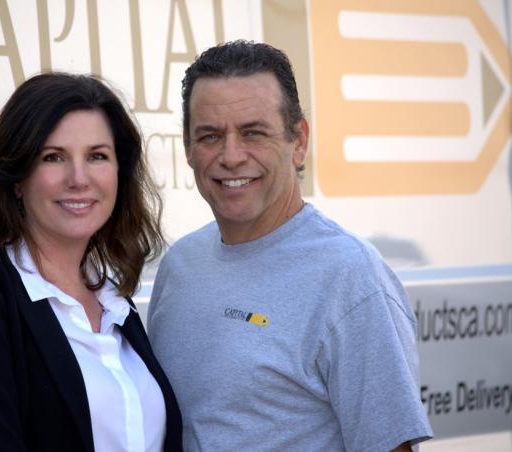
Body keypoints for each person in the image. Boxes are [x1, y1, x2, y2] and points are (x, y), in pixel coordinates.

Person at [146, 41, 432, 451]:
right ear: (188, 150)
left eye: (253, 133)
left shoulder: (350, 278)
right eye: (210, 136)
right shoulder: (180, 267)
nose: (230, 156)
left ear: (298, 139)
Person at [0, 73, 182, 452]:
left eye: (97, 156)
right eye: (53, 157)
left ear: (120, 172)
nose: (79, 178)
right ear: (18, 178)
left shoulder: (113, 301)